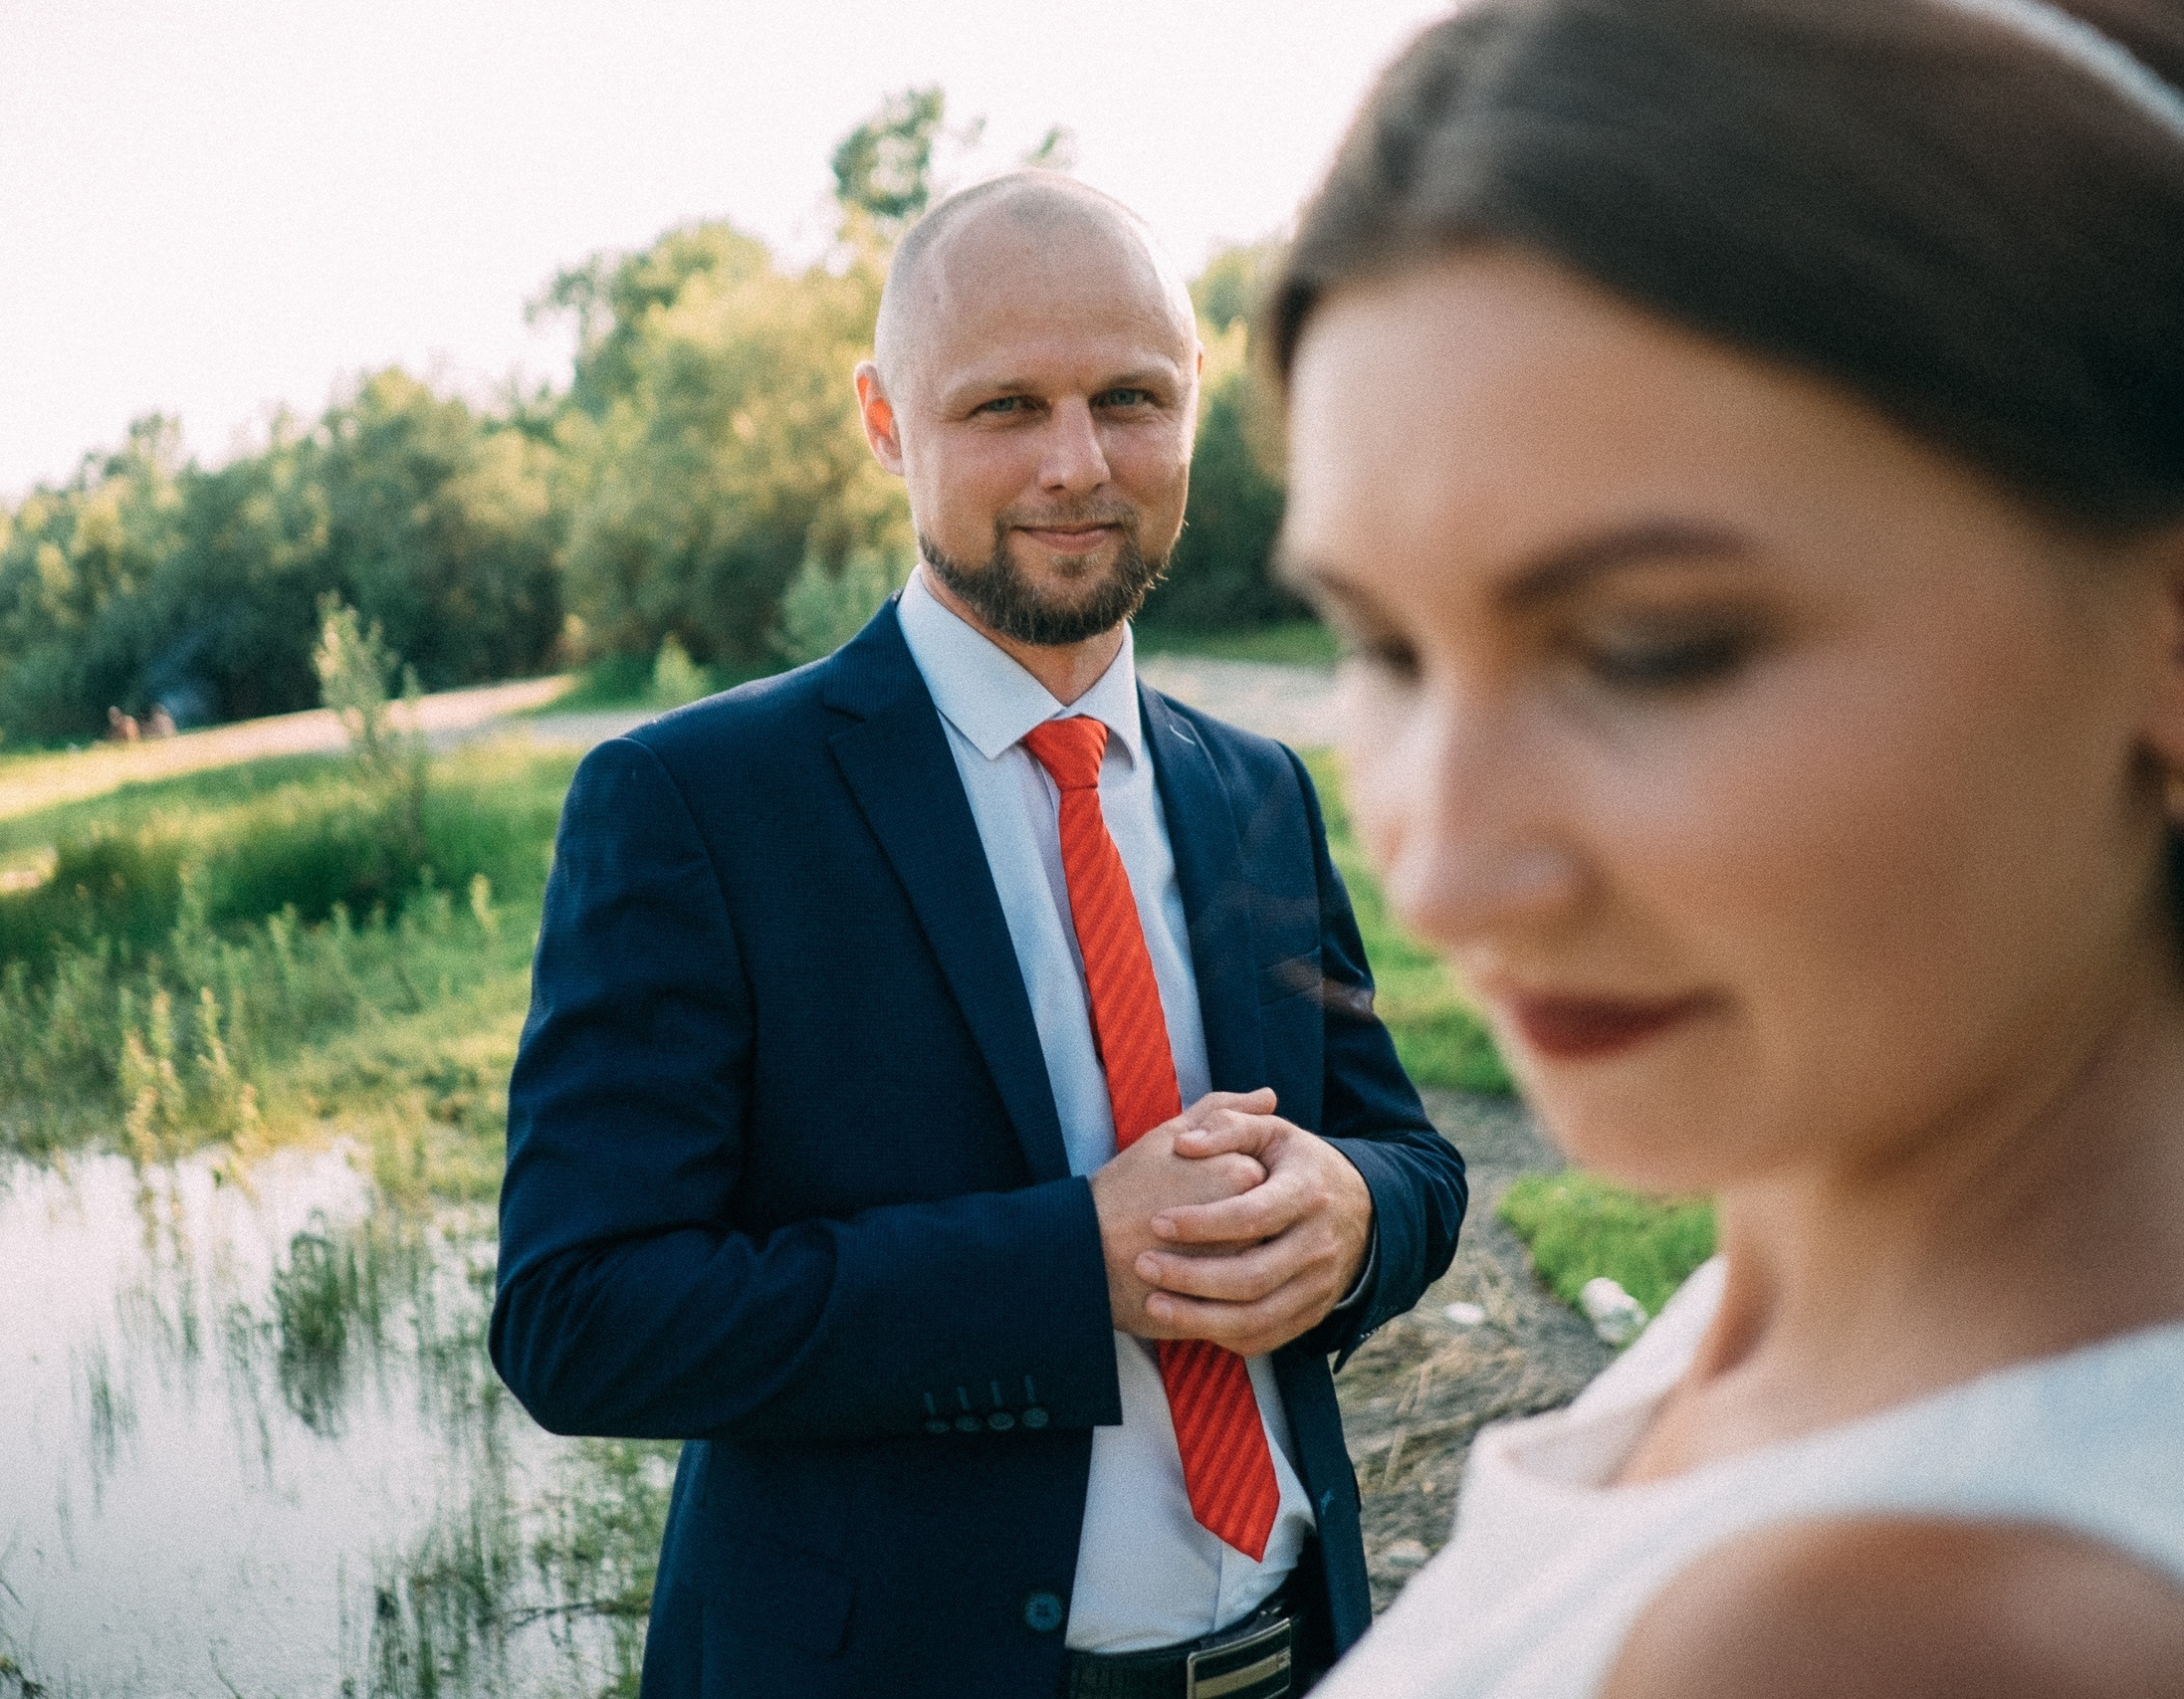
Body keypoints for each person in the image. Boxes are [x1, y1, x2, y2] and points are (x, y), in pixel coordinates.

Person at [1261, 2, 2184, 1695]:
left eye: (1652, 646)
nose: (1445, 875)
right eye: (1385, 648)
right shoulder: (1802, 1323)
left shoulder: (1901, 1638)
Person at [489, 171, 1467, 1699]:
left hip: (1297, 1653)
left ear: (1193, 403)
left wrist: (1355, 1219)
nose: (1077, 463)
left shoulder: (1255, 789)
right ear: (885, 422)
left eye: (1129, 398)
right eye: (1005, 405)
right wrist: (1071, 1264)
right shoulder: (692, 805)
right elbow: (580, 1318)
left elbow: (1411, 1157)